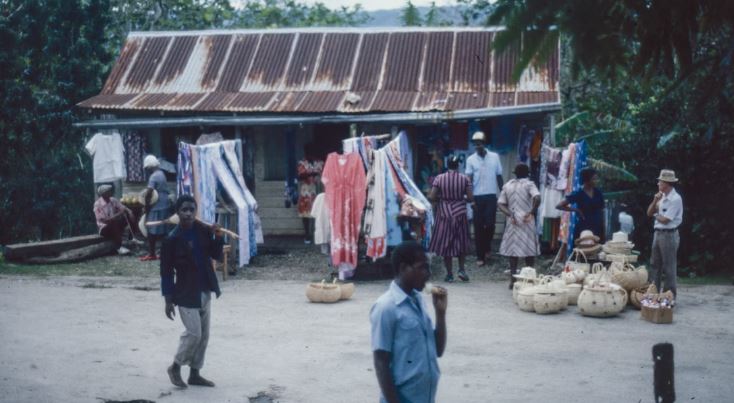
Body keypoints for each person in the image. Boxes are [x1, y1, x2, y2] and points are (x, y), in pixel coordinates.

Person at [160, 194, 224, 388]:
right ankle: (175, 366)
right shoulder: (171, 239)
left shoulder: (202, 231)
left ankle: (194, 373)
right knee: (194, 333)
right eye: (184, 210)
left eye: (191, 210)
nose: (188, 214)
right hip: (186, 292)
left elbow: (216, 255)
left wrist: (217, 236)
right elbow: (166, 272)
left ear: (195, 211)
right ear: (177, 213)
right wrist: (168, 299)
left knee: (204, 335)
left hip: (205, 289)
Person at [370, 241, 447, 403]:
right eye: (422, 267)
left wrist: (440, 313)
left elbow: (438, 350)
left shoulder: (418, 300)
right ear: (403, 268)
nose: (428, 274)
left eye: (429, 268)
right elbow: (380, 362)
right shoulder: (386, 307)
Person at [428, 155, 474, 283]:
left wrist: (443, 198)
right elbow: (470, 198)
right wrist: (460, 199)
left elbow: (432, 197)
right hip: (460, 212)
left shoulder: (439, 178)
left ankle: (449, 274)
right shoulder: (465, 179)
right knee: (461, 241)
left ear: (447, 165)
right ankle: (461, 270)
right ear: (458, 166)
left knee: (446, 243)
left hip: (444, 213)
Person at [497, 164, 541, 289]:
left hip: (513, 220)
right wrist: (532, 211)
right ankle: (530, 279)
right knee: (529, 251)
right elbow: (537, 197)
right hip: (527, 219)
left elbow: (500, 204)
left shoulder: (508, 185)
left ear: (515, 173)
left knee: (513, 251)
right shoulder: (529, 184)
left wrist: (510, 214)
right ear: (527, 173)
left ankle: (512, 280)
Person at [465, 131, 503, 266]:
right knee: (478, 226)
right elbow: (468, 181)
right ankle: (480, 256)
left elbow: (499, 176)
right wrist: (470, 199)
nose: (478, 147)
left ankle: (487, 247)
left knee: (490, 224)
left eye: (479, 144)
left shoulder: (494, 157)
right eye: (475, 145)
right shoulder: (470, 160)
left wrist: (503, 193)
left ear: (485, 143)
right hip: (477, 197)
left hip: (491, 196)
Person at [646, 169, 683, 298]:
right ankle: (653, 294)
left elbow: (666, 220)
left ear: (667, 183)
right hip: (658, 233)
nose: (658, 184)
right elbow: (649, 213)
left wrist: (656, 214)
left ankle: (669, 297)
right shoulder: (661, 197)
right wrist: (655, 201)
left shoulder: (675, 199)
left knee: (669, 267)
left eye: (660, 182)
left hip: (669, 234)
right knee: (654, 264)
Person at [556, 167, 605, 244]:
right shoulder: (579, 193)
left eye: (596, 179)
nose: (596, 181)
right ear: (586, 180)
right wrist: (576, 210)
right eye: (594, 179)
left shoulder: (598, 193)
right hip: (584, 226)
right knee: (585, 249)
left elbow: (602, 209)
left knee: (597, 250)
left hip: (597, 226)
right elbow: (559, 206)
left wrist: (602, 227)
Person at [142, 155, 171, 261]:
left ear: (150, 167)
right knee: (164, 229)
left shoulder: (153, 176)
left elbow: (149, 192)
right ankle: (166, 252)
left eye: (147, 168)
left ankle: (152, 253)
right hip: (165, 203)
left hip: (156, 205)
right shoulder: (161, 174)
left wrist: (146, 205)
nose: (147, 170)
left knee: (151, 229)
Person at [93, 184, 134, 255]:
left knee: (128, 215)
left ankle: (132, 238)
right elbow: (105, 221)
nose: (111, 193)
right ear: (103, 194)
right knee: (114, 222)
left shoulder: (113, 200)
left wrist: (129, 211)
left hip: (114, 225)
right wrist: (119, 214)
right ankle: (119, 247)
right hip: (104, 229)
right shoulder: (97, 204)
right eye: (109, 192)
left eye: (110, 191)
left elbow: (123, 207)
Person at [297, 143, 324, 244]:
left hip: (318, 190)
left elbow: (324, 174)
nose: (310, 153)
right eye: (308, 151)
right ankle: (307, 235)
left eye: (312, 151)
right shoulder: (302, 163)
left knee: (319, 212)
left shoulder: (320, 162)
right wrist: (311, 173)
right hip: (306, 191)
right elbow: (300, 176)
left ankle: (318, 234)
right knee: (305, 214)